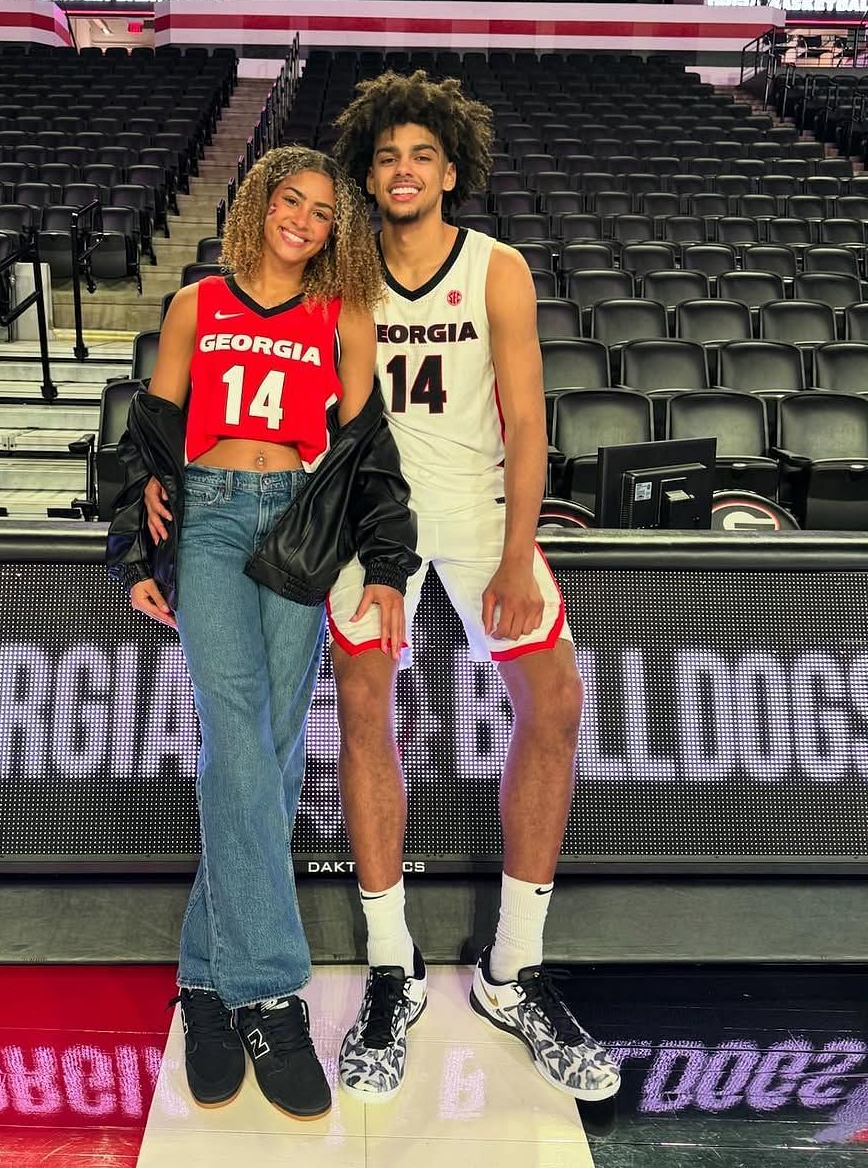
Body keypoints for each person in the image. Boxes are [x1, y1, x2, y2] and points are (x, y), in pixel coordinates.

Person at [326, 71, 622, 1104]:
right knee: (366, 714)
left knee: (559, 700)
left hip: (486, 516)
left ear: (450, 169)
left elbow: (533, 421)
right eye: (385, 156)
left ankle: (514, 969)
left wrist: (514, 550)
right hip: (375, 526)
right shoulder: (345, 272)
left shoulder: (496, 269)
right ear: (368, 174)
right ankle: (390, 968)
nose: (402, 171)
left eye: (421, 155)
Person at [108, 145, 419, 1122]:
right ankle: (269, 994)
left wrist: (392, 567)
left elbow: (369, 451)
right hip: (208, 517)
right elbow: (151, 436)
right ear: (261, 203)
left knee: (272, 751)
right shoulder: (199, 303)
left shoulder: (345, 316)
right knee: (238, 734)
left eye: (325, 212)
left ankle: (204, 981)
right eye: (293, 201)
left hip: (299, 521)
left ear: (336, 228)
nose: (306, 221)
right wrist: (134, 547)